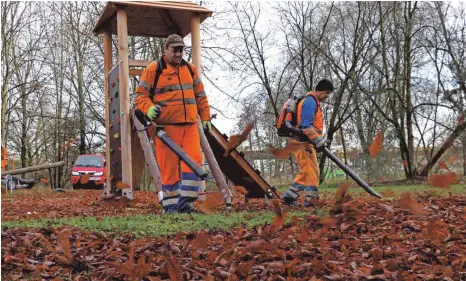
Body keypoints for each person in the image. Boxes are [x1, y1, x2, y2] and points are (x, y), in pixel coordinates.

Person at [133, 34, 211, 214]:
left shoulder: (190, 70)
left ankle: (186, 203)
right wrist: (149, 109)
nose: (178, 54)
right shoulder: (154, 69)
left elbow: (200, 95)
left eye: (181, 50)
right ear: (165, 49)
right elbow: (140, 96)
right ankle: (170, 208)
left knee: (194, 162)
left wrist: (205, 116)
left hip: (190, 126)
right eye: (174, 50)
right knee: (168, 169)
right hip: (165, 128)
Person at [281, 79, 334, 208]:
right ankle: (311, 200)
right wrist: (318, 140)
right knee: (312, 170)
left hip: (304, 142)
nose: (328, 96)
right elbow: (306, 126)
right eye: (327, 93)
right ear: (320, 90)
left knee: (306, 171)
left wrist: (318, 140)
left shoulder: (312, 101)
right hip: (302, 142)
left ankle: (290, 197)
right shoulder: (310, 102)